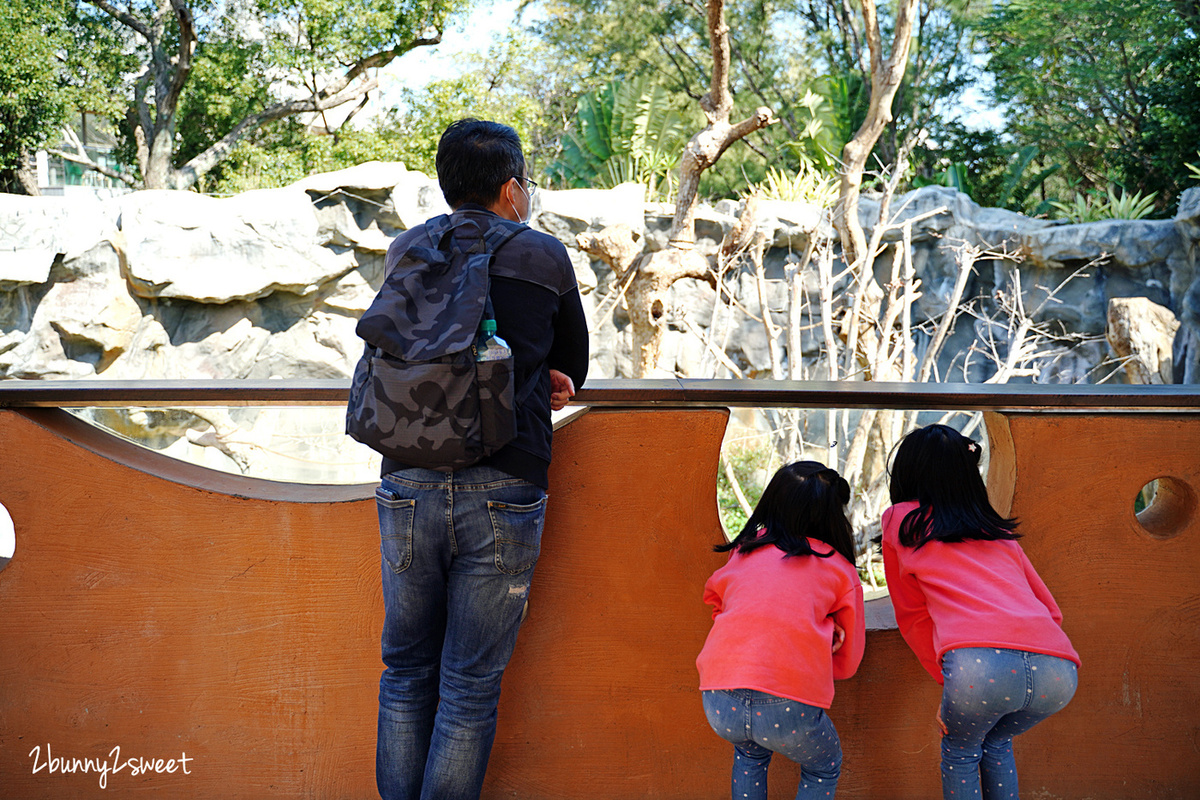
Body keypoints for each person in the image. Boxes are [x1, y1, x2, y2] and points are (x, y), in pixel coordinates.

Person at [372, 118, 589, 800]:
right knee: (469, 683)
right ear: (509, 188)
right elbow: (573, 365)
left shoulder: (408, 248)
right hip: (506, 477)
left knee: (405, 670)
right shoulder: (543, 255)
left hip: (405, 475)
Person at [881, 424, 1080, 800]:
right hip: (1058, 670)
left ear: (907, 472)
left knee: (960, 752)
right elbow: (1050, 610)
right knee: (997, 743)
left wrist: (950, 683)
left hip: (979, 670)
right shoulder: (996, 532)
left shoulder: (901, 520)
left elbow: (912, 615)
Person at [697, 461, 865, 800]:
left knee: (748, 756)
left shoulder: (746, 549)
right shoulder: (839, 568)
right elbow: (849, 657)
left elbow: (716, 600)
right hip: (788, 705)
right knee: (823, 767)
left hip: (718, 697)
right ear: (833, 515)